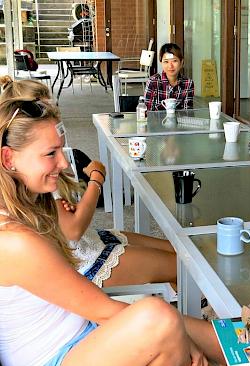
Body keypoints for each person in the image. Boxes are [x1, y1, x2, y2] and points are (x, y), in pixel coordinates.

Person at [0, 98, 237, 366]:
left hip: (82, 335)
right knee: (159, 318)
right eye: (51, 153)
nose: (63, 163)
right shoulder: (14, 241)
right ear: (8, 159)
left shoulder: (27, 204)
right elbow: (103, 309)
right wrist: (189, 351)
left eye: (60, 149)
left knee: (223, 343)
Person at [0, 75, 177, 289]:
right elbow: (74, 230)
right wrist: (96, 179)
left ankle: (186, 299)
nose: (54, 111)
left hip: (89, 244)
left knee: (177, 252)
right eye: (44, 106)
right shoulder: (40, 176)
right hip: (84, 262)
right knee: (181, 265)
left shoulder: (31, 176)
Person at [144, 43, 194, 111]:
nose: (170, 66)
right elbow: (148, 112)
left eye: (174, 61)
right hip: (156, 121)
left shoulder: (188, 83)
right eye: (166, 62)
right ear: (161, 63)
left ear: (181, 62)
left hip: (179, 121)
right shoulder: (153, 82)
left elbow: (188, 112)